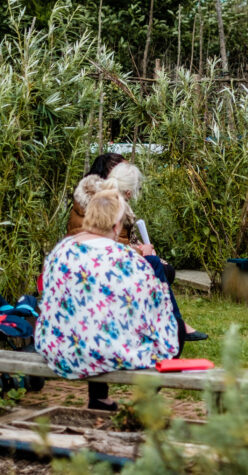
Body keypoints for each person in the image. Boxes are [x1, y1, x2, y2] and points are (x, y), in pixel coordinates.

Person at [36, 188, 182, 410]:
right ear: (116, 226)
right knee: (176, 329)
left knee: (96, 322)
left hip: (59, 349)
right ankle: (144, 400)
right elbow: (155, 309)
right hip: (101, 351)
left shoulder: (60, 251)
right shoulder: (127, 259)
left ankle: (99, 397)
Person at [67, 154, 208, 342]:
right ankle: (172, 325)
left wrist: (140, 248)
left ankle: (169, 324)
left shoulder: (98, 201)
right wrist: (142, 252)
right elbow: (106, 246)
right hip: (96, 269)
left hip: (63, 347)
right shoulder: (101, 204)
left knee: (162, 267)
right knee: (154, 265)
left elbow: (113, 243)